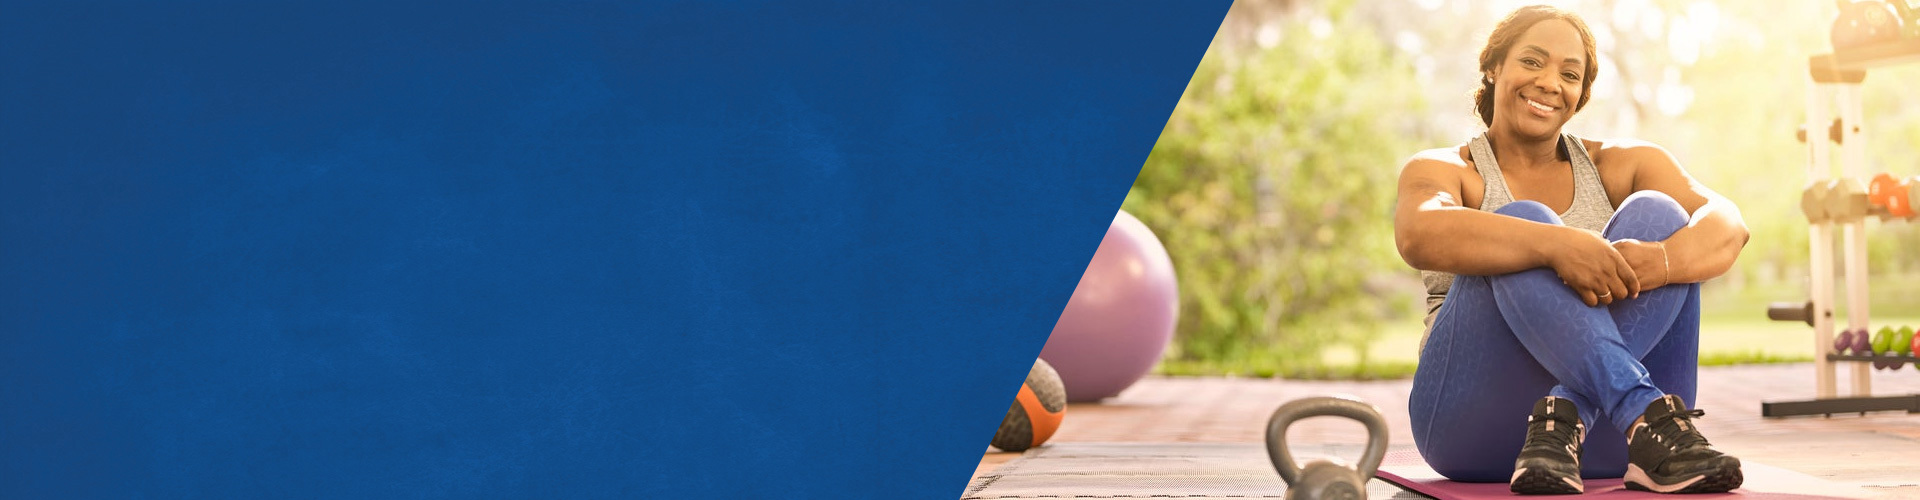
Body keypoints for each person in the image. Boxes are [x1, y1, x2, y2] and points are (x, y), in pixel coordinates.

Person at [1393, 5, 1750, 495]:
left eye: (1569, 74)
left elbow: (1729, 224)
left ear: (1580, 95)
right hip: (1470, 427)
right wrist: (1557, 244)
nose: (1548, 82)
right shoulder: (1445, 168)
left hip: (1613, 443)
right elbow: (1418, 234)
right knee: (1523, 222)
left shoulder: (1622, 163)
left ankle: (1618, 420)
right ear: (1493, 66)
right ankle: (1640, 408)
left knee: (1664, 216)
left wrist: (1663, 263)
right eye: (1532, 62)